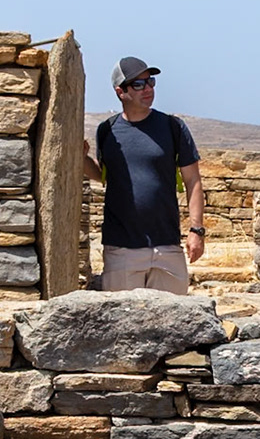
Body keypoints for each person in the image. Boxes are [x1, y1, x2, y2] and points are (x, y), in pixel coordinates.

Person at [83, 56, 205, 293]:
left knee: (175, 324)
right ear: (121, 91)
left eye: (150, 82)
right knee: (122, 325)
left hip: (167, 247)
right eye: (138, 84)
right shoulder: (107, 131)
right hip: (122, 249)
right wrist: (81, 159)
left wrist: (196, 230)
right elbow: (106, 176)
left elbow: (193, 181)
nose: (148, 89)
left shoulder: (173, 127)